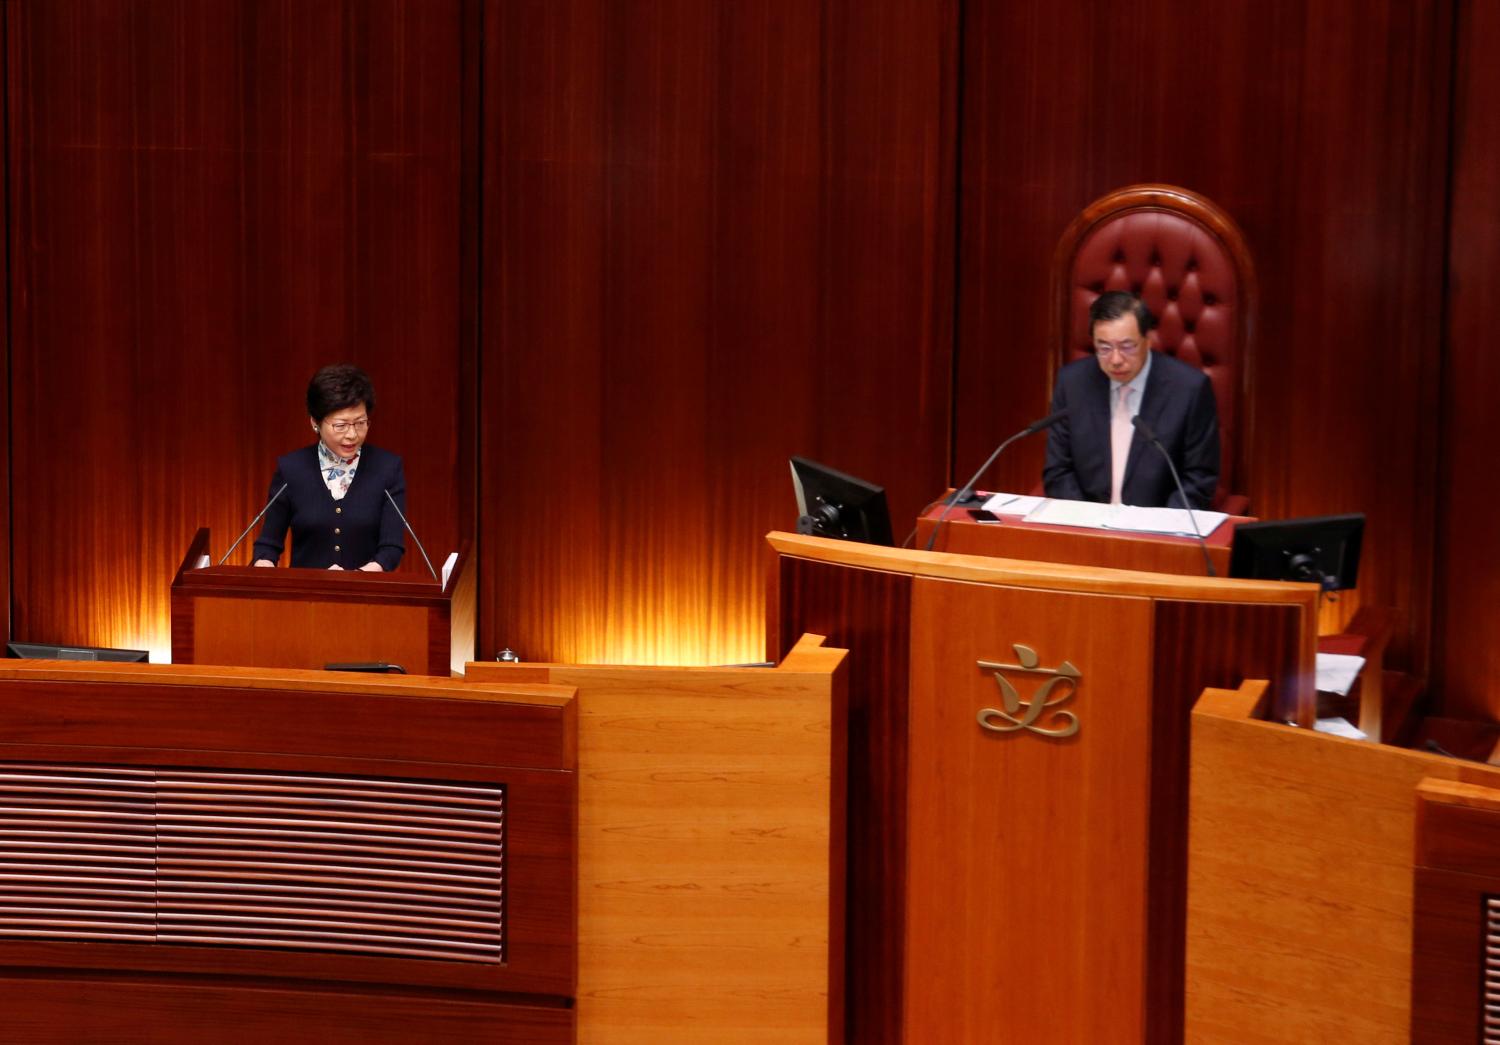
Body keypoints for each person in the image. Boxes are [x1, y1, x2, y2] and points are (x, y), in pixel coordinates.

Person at [1042, 291, 1219, 508]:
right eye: (1104, 348)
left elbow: (1199, 479)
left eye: (1127, 347)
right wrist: (1086, 523)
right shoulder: (1073, 383)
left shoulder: (1189, 389)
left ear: (1148, 340)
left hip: (1158, 531)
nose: (1115, 360)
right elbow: (1058, 471)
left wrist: (1156, 532)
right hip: (1086, 528)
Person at [252, 364, 406, 571]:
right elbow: (268, 545)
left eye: (360, 423)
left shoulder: (387, 468)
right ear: (315, 422)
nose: (352, 434)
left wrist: (357, 578)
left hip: (367, 597)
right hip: (304, 599)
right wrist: (264, 563)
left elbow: (391, 547)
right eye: (341, 425)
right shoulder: (291, 469)